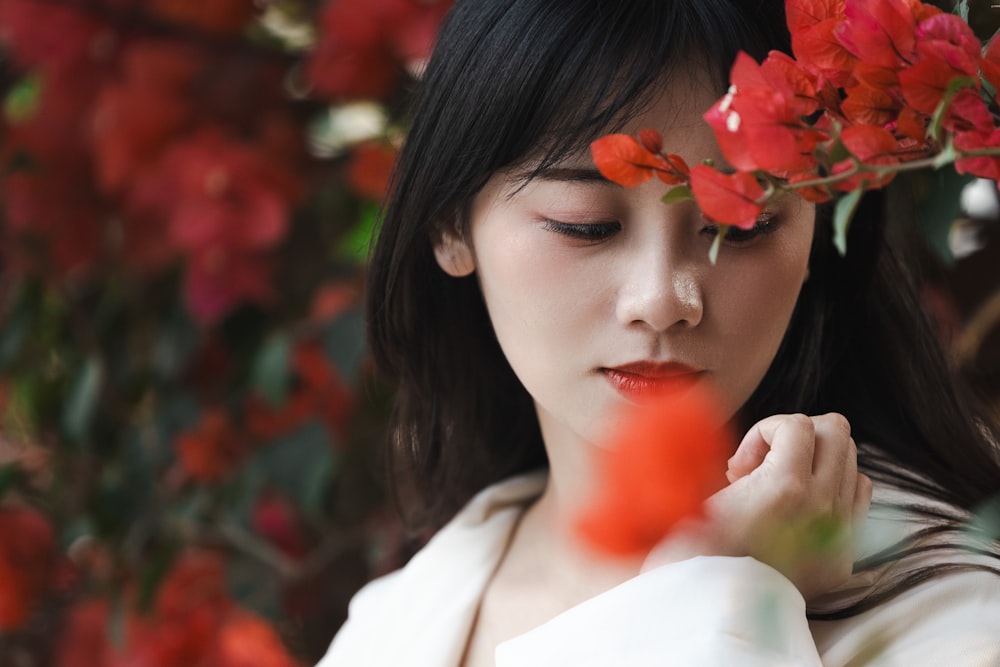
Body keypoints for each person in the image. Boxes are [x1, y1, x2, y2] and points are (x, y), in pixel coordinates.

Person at [317, 0, 1000, 664]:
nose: (665, 300)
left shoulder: (952, 618)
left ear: (819, 233)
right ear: (449, 224)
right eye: (586, 225)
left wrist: (710, 586)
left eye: (741, 228)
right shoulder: (391, 622)